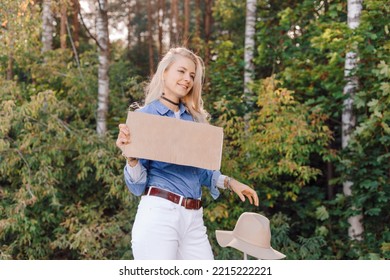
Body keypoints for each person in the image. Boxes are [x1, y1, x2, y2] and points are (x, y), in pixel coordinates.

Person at [116, 47, 259, 260]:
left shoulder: (193, 120)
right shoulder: (145, 117)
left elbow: (201, 172)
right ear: (164, 73)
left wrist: (231, 182)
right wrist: (132, 158)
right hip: (159, 214)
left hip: (193, 217)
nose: (187, 79)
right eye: (181, 72)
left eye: (192, 75)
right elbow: (137, 187)